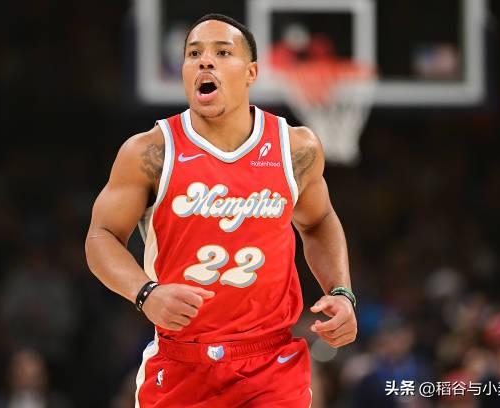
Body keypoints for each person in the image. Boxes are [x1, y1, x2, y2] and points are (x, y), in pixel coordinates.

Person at [85, 13, 357, 407]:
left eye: (222, 52)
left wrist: (342, 292)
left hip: (271, 364)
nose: (205, 61)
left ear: (251, 72)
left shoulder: (295, 147)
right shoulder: (150, 152)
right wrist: (146, 293)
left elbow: (318, 221)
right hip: (182, 360)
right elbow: (101, 236)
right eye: (194, 53)